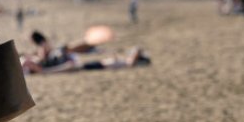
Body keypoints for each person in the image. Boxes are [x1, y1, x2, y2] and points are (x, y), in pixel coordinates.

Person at [21, 46, 151, 74]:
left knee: (72, 66)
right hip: (97, 65)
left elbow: (133, 59)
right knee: (73, 66)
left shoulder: (130, 63)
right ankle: (44, 70)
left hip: (99, 66)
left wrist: (138, 51)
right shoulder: (128, 61)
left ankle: (45, 71)